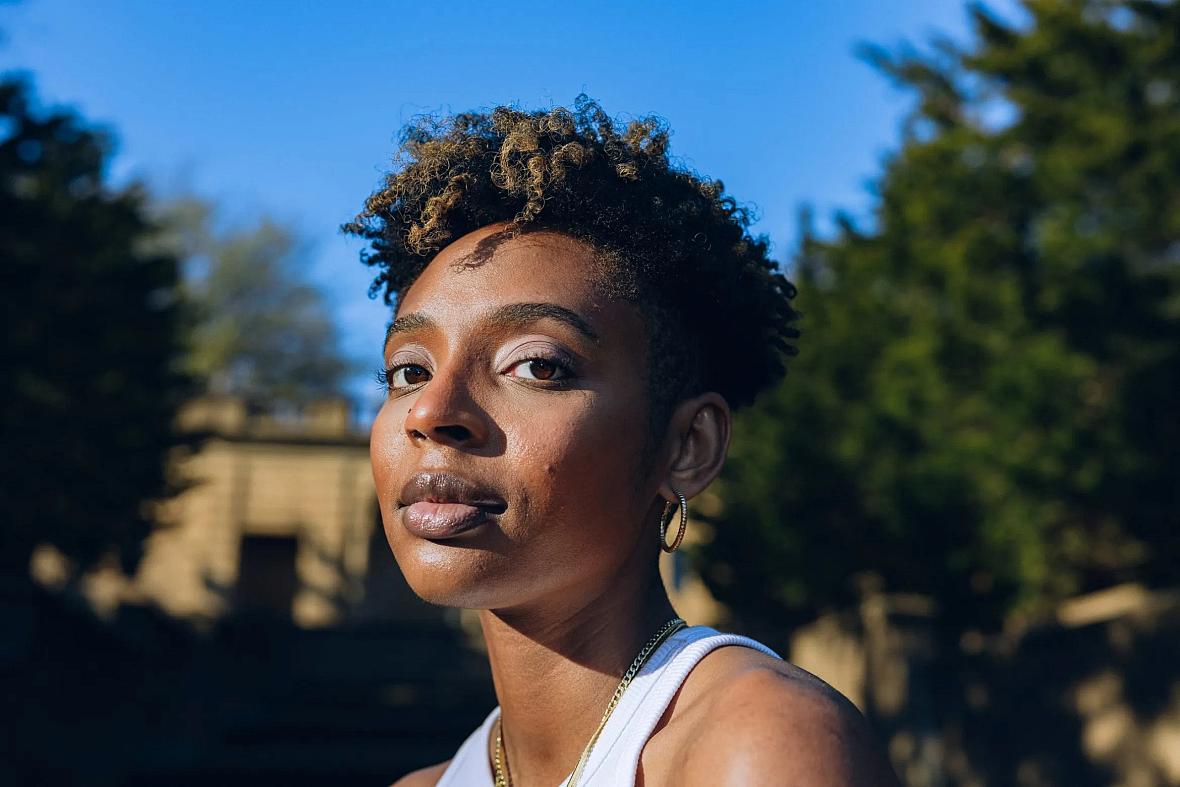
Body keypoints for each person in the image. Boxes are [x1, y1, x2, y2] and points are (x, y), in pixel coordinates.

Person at [346, 97, 900, 786]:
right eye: (407, 370)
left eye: (538, 365)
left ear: (688, 446)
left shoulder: (762, 746)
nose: (431, 411)